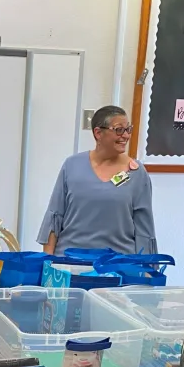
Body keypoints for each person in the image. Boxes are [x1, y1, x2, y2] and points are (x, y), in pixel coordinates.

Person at [39, 105, 156, 256]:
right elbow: (54, 216)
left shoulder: (136, 173)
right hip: (69, 263)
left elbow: (144, 229)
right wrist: (47, 263)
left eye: (128, 129)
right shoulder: (72, 165)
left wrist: (144, 273)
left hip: (117, 267)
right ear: (98, 133)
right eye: (119, 130)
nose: (126, 136)